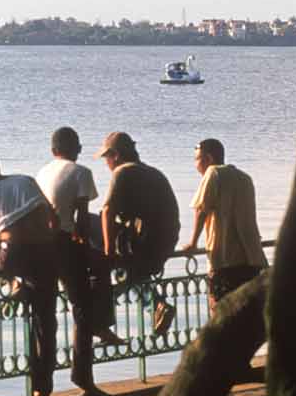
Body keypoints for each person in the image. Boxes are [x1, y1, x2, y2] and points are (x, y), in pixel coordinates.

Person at [0, 144, 111, 396]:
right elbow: (53, 218)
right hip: (45, 253)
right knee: (45, 320)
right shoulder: (26, 180)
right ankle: (43, 385)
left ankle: (10, 281)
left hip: (14, 256)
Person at [37, 127, 123, 348]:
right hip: (64, 243)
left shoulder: (42, 172)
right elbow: (82, 215)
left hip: (43, 244)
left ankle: (94, 325)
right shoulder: (81, 172)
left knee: (70, 300)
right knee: (102, 265)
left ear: (53, 150)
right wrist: (84, 244)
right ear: (78, 149)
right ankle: (100, 326)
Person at [96, 130, 181, 336]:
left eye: (106, 158)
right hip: (165, 243)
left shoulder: (123, 172)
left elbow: (108, 211)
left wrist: (108, 250)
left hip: (143, 243)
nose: (106, 163)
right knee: (133, 273)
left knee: (92, 224)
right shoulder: (154, 172)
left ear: (115, 155)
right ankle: (155, 306)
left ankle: (103, 307)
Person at [183, 137, 268, 312]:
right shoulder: (245, 178)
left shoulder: (213, 173)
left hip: (224, 258)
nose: (195, 164)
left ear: (208, 159)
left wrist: (192, 243)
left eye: (196, 159)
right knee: (247, 313)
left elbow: (201, 210)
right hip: (251, 258)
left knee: (220, 313)